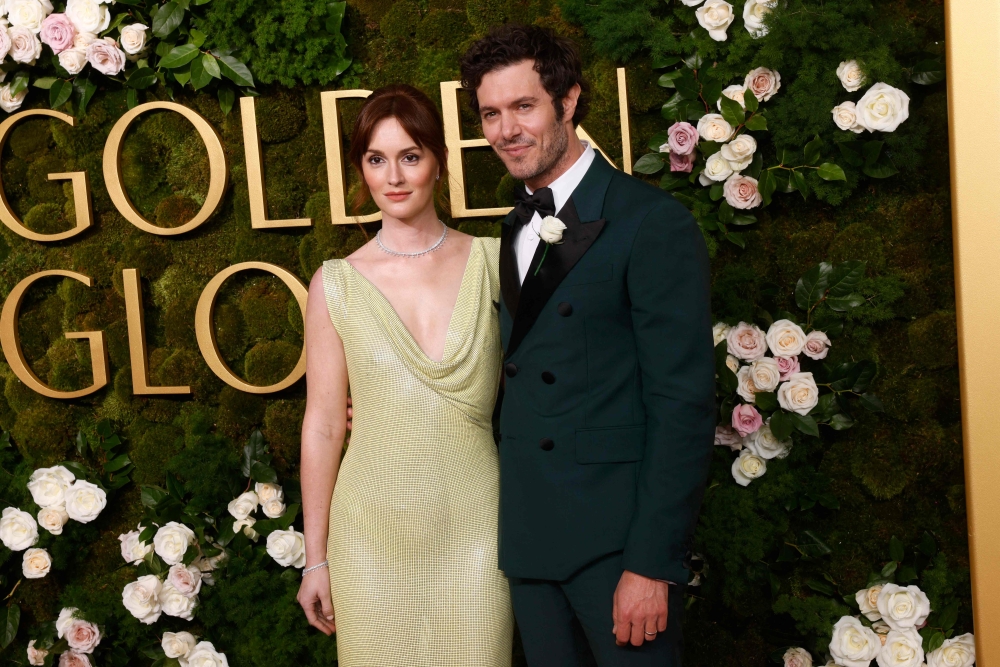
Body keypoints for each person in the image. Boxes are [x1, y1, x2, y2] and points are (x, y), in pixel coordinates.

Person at [459, 25, 716, 666]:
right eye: (491, 113)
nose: (506, 130)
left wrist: (652, 565)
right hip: (528, 542)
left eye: (524, 107)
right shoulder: (509, 226)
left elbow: (682, 405)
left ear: (568, 101)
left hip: (616, 550)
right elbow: (511, 369)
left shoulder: (651, 221)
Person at [296, 84, 514, 667]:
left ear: (439, 162)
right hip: (369, 541)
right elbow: (322, 425)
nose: (393, 176)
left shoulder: (496, 263)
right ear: (360, 169)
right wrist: (314, 558)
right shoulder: (334, 283)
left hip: (477, 533)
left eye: (410, 156)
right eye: (375, 159)